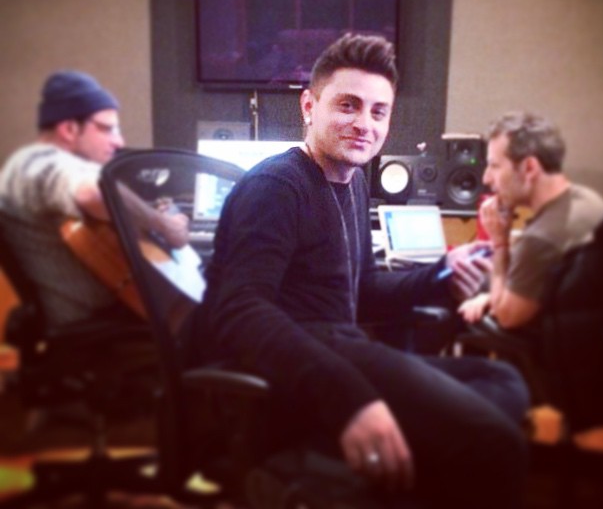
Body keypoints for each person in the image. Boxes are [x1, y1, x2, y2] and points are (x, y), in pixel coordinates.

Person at [183, 35, 529, 508]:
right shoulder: (275, 187)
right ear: (310, 106)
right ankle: (303, 473)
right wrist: (349, 398)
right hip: (302, 369)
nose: (364, 124)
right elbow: (239, 312)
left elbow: (362, 291)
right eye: (348, 105)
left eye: (378, 111)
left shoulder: (354, 182)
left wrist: (440, 275)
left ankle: (354, 478)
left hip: (344, 351)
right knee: (495, 443)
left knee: (502, 383)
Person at [0, 70, 188, 327]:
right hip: (94, 325)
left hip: (106, 314)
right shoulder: (41, 161)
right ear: (69, 129)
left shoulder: (25, 165)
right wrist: (165, 225)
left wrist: (146, 216)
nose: (118, 141)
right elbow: (95, 193)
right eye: (107, 129)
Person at [458, 111, 603, 331]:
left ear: (529, 168)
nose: (486, 178)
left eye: (494, 166)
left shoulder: (540, 240)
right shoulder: (590, 199)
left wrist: (500, 243)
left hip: (556, 344)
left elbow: (506, 316)